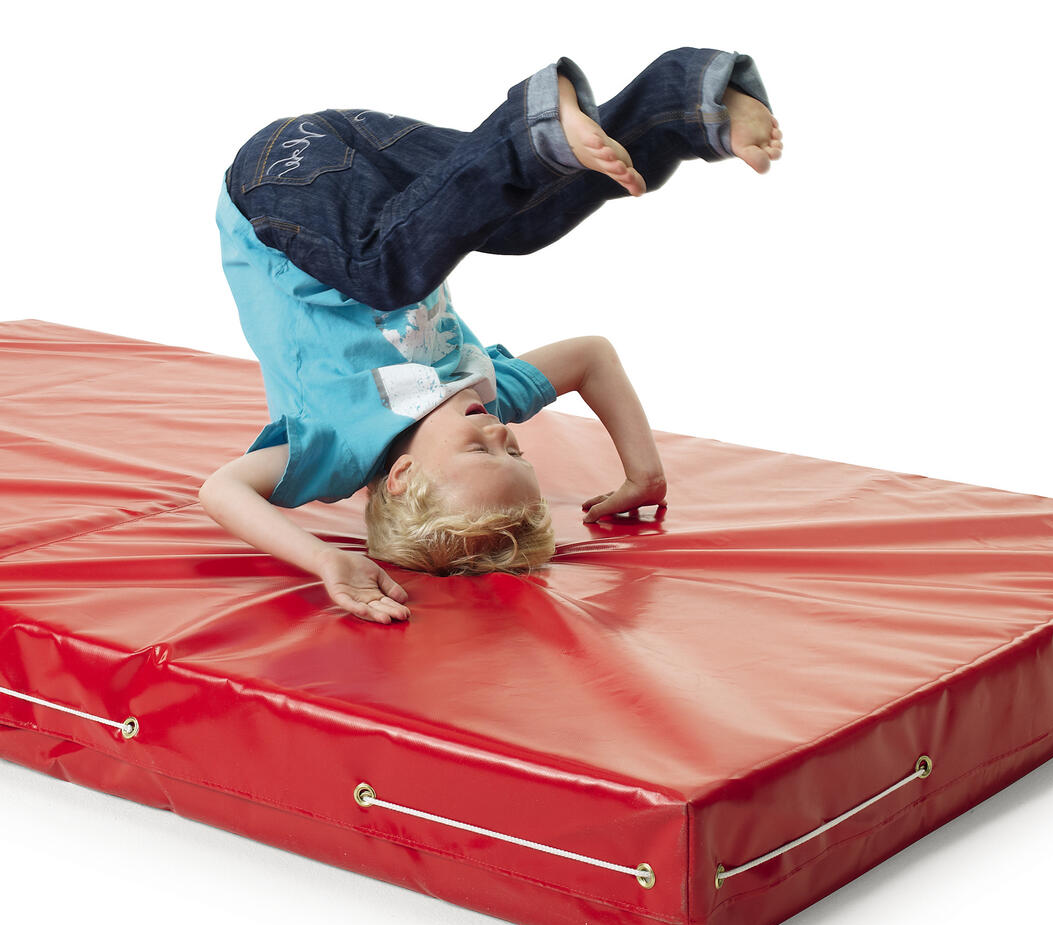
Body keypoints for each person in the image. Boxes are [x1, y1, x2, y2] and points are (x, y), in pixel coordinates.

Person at [200, 49, 782, 624]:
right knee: (529, 212)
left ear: (402, 477)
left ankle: (535, 131)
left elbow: (223, 490)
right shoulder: (485, 398)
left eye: (480, 450)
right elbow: (592, 357)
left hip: (276, 189)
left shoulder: (340, 449)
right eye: (515, 452)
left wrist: (323, 558)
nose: (500, 432)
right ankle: (686, 106)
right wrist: (643, 473)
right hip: (371, 168)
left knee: (386, 274)